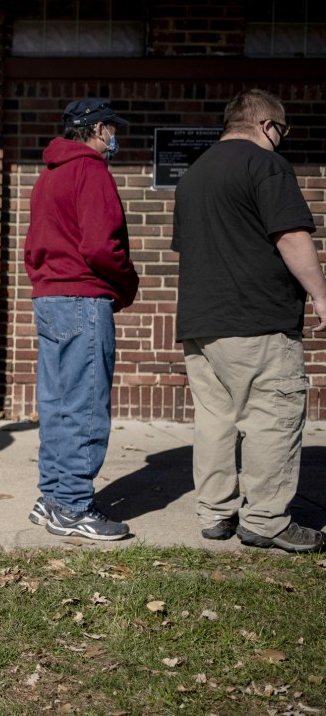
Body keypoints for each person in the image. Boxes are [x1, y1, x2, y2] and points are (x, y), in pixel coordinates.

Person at [173, 88, 326, 553]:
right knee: (273, 416)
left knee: (214, 419)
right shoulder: (265, 164)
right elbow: (291, 236)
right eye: (282, 130)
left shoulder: (194, 175)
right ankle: (266, 520)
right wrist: (321, 295)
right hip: (257, 319)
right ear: (266, 125)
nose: (282, 139)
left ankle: (215, 513)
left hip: (201, 322)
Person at [24, 98, 139, 540]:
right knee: (86, 405)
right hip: (83, 297)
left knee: (57, 405)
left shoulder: (48, 175)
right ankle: (73, 506)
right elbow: (100, 247)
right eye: (112, 128)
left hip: (50, 296)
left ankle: (52, 497)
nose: (115, 136)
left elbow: (33, 245)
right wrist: (127, 284)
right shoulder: (91, 171)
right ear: (96, 129)